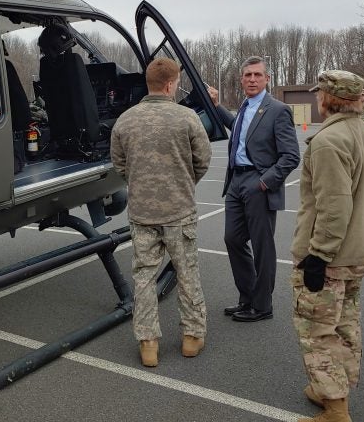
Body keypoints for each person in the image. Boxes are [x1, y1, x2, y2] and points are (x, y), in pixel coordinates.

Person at [291, 70, 364, 422]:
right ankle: (334, 388)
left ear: (327, 98)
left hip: (331, 256)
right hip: (357, 250)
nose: (317, 99)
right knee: (345, 323)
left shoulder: (330, 141)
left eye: (319, 94)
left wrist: (318, 255)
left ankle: (335, 407)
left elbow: (334, 205)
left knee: (317, 329)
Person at [111, 58, 212, 367]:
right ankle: (192, 337)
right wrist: (183, 182)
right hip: (179, 211)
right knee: (187, 273)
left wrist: (142, 185)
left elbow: (119, 165)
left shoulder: (125, 120)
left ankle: (148, 343)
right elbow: (203, 160)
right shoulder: (187, 118)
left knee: (143, 277)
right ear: (170, 84)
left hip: (142, 214)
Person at [209, 56, 300, 322]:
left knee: (263, 247)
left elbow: (291, 156)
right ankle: (247, 296)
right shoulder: (245, 107)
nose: (252, 79)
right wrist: (216, 106)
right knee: (233, 239)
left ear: (267, 79)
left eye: (257, 75)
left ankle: (262, 306)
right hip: (236, 181)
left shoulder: (278, 109)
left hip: (258, 183)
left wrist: (265, 181)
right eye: (247, 75)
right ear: (241, 79)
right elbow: (238, 129)